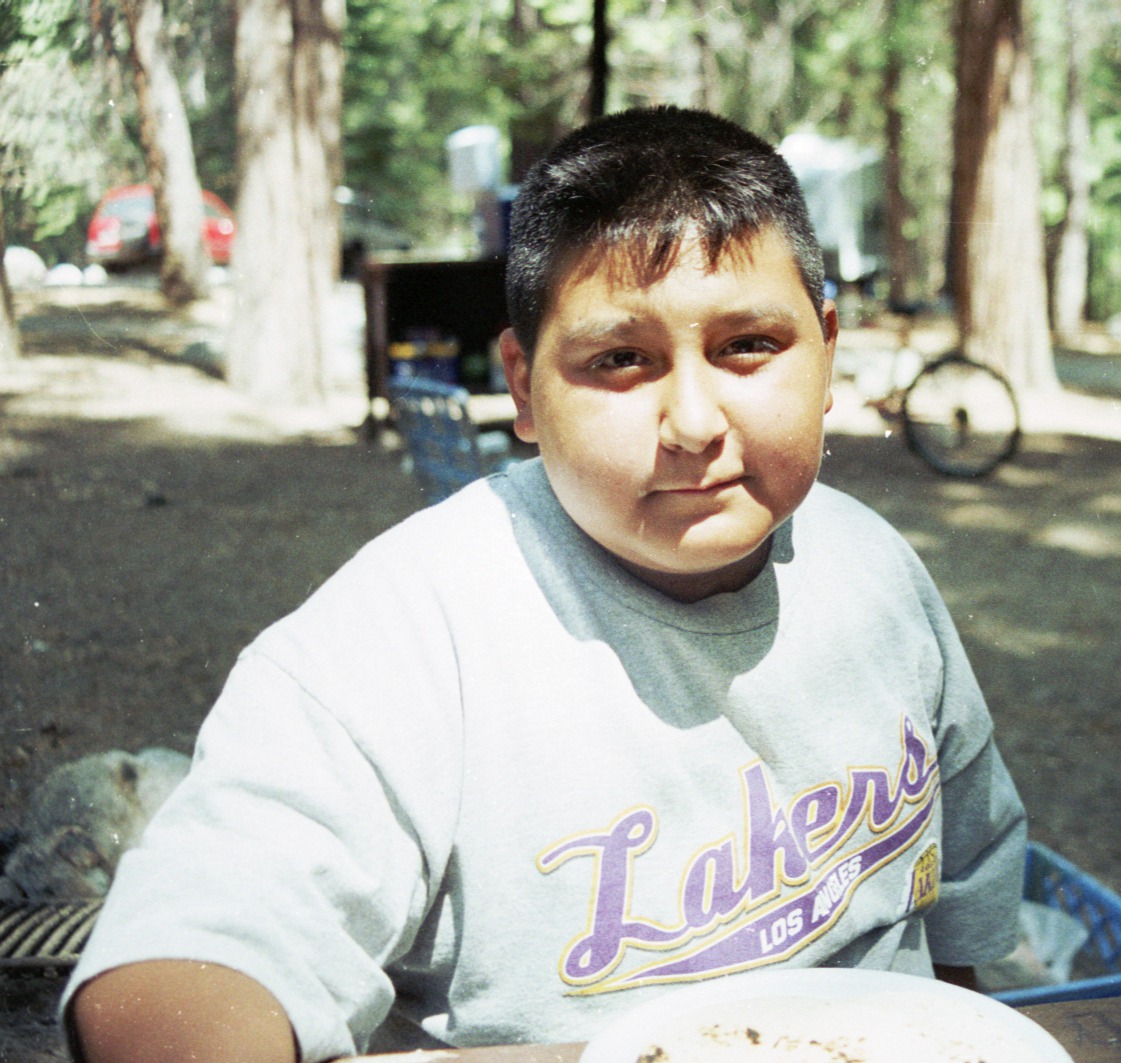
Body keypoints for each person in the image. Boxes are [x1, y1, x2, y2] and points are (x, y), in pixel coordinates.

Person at [64, 106, 1028, 1062]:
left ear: (825, 351)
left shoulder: (875, 571)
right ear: (523, 388)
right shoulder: (408, 632)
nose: (692, 420)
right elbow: (197, 941)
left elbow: (965, 919)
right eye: (619, 360)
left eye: (746, 345)